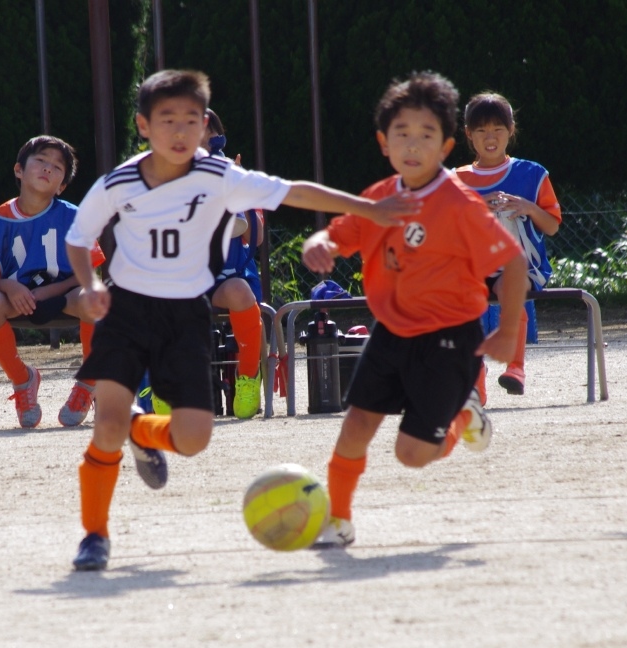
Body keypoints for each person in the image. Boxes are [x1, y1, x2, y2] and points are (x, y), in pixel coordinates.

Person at [63, 68, 420, 570]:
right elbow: (78, 238)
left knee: (193, 439)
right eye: (168, 119)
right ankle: (94, 536)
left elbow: (295, 191)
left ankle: (142, 431)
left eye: (191, 119)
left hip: (186, 314)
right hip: (127, 310)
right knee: (107, 423)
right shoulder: (118, 182)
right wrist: (91, 284)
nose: (181, 131)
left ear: (205, 125)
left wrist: (369, 209)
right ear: (143, 126)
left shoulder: (219, 177)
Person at [300, 71, 528, 548]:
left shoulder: (460, 204)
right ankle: (337, 520)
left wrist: (508, 330)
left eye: (426, 134)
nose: (412, 144)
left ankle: (463, 416)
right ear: (384, 142)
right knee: (355, 427)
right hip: (390, 332)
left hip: (450, 338)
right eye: (402, 133)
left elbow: (513, 263)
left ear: (446, 147)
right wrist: (319, 244)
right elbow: (337, 235)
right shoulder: (378, 197)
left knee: (412, 455)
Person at [0, 135, 101, 428]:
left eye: (57, 167)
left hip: (66, 296)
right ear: (19, 170)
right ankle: (23, 379)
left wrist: (51, 290)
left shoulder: (74, 216)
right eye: (40, 160)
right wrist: (10, 286)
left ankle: (88, 383)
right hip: (16, 299)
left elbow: (88, 273)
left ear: (62, 185)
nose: (47, 168)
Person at [455, 92, 561, 399]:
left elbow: (552, 226)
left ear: (511, 130)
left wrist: (528, 207)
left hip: (520, 265)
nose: (490, 138)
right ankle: (475, 378)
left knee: (510, 286)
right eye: (481, 130)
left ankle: (516, 367)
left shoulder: (532, 174)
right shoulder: (455, 180)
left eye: (497, 129)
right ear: (468, 134)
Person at [203, 109, 266, 419]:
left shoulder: (235, 175)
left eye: (211, 133)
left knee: (240, 292)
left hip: (225, 278)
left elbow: (255, 238)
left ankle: (248, 376)